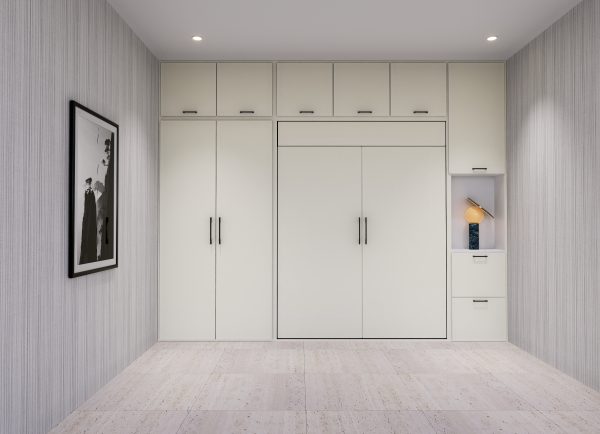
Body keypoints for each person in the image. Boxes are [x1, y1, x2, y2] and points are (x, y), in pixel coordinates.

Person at [80, 177, 98, 264]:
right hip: (86, 218)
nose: (89, 184)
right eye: (88, 183)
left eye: (90, 183)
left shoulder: (92, 193)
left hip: (91, 219)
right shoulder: (84, 192)